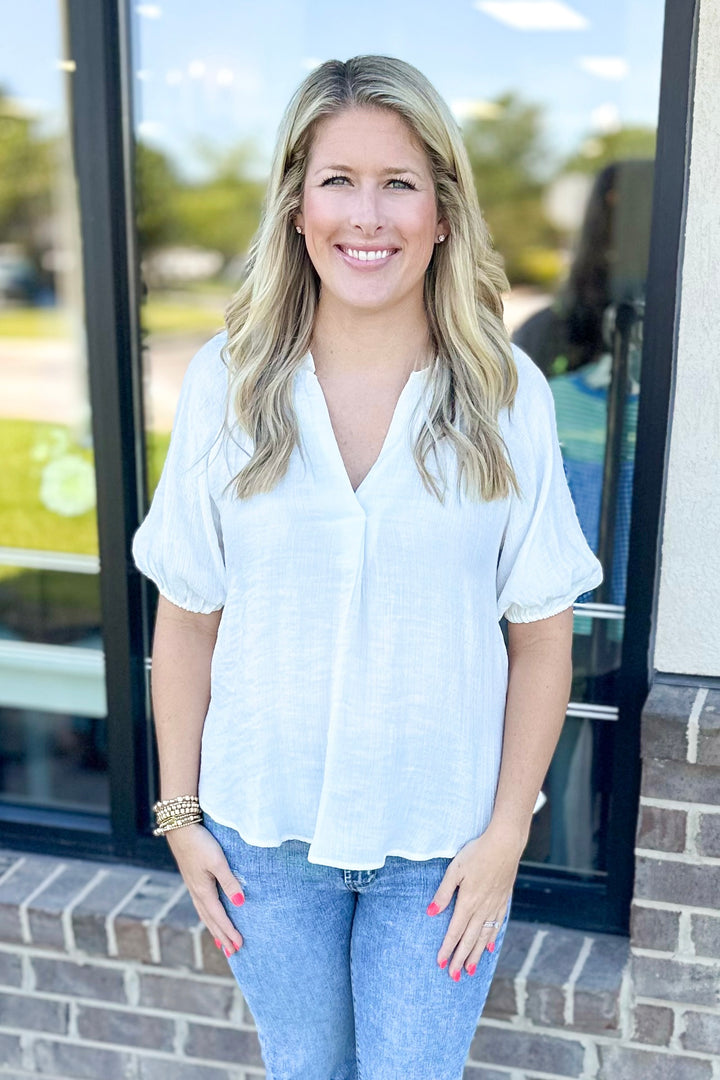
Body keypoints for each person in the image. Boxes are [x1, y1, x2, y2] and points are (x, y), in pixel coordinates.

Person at [132, 54, 603, 1080]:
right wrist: (179, 815)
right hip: (264, 839)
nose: (368, 215)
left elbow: (542, 638)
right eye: (338, 180)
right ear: (297, 204)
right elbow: (186, 614)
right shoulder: (231, 381)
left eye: (399, 183)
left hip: (440, 853)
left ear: (442, 211)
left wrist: (504, 841)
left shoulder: (503, 393)